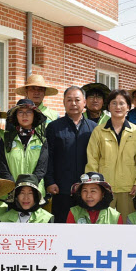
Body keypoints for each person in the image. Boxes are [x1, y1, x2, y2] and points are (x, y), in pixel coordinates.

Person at [0, 174, 53, 271]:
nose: (26, 197)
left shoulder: (48, 218)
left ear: (36, 196)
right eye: (22, 193)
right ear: (16, 196)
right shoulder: (4, 218)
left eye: (30, 193)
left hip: (36, 266)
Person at [85, 89, 136, 219]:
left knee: (128, 225)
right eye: (114, 103)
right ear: (108, 106)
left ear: (128, 107)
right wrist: (95, 185)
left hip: (128, 189)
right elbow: (92, 159)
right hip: (105, 188)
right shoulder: (99, 131)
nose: (118, 107)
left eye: (122, 103)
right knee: (104, 225)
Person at [45, 86, 98, 223]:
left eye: (77, 100)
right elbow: (48, 156)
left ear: (84, 102)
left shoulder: (93, 128)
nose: (73, 103)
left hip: (86, 189)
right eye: (69, 100)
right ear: (63, 102)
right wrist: (50, 181)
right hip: (61, 188)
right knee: (62, 225)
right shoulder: (54, 127)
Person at [0, 99, 48, 199]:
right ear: (16, 116)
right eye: (20, 112)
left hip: (35, 193)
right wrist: (15, 188)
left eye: (29, 112)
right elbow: (3, 167)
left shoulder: (41, 141)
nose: (24, 115)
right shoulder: (5, 139)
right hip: (11, 193)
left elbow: (41, 169)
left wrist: (29, 189)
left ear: (34, 115)